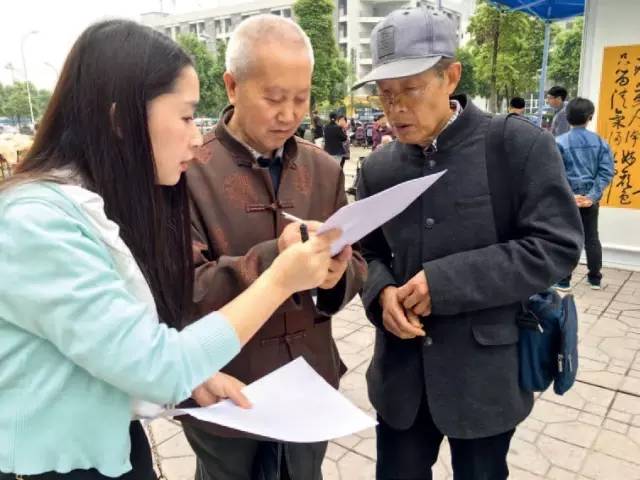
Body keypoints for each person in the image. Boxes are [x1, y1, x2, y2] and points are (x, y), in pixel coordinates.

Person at [0, 20, 339, 480]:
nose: (196, 136)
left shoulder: (85, 207)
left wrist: (193, 375)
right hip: (52, 464)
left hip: (110, 446)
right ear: (121, 121)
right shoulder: (37, 223)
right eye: (185, 117)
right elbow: (159, 364)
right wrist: (279, 278)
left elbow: (116, 345)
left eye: (300, 98)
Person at [352, 7, 583, 480]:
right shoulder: (378, 169)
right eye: (386, 93)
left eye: (411, 89)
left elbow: (556, 245)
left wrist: (444, 283)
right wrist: (381, 293)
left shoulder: (516, 147)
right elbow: (366, 251)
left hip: (484, 379)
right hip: (401, 378)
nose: (395, 108)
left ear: (451, 77)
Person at [182, 14, 367, 480]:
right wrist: (275, 262)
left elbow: (356, 260)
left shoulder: (323, 169)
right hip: (226, 390)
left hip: (310, 382)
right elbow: (182, 288)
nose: (288, 115)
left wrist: (335, 276)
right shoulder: (188, 171)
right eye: (273, 98)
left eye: (300, 99)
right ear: (232, 86)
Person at [554, 98, 615, 292]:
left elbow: (554, 173)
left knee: (566, 238)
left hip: (567, 201)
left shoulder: (558, 142)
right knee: (592, 238)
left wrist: (570, 195)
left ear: (567, 117)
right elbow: (606, 172)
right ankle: (595, 279)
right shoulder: (600, 142)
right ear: (590, 117)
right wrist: (591, 196)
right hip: (590, 201)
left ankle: (564, 281)